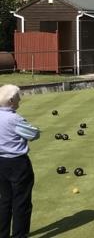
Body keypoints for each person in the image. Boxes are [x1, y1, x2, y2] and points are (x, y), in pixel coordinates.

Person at [0, 85, 40, 238]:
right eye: (18, 97)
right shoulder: (15, 119)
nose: (20, 100)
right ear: (11, 100)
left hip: (1, 163)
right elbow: (33, 134)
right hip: (17, 164)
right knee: (21, 203)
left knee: (5, 201)